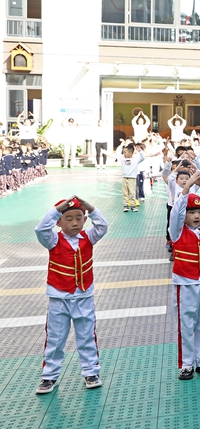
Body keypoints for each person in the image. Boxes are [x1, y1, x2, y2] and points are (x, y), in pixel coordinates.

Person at [34, 197, 108, 394]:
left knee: (86, 337)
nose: (75, 223)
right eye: (68, 218)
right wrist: (57, 209)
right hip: (59, 297)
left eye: (79, 218)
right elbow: (40, 229)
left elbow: (103, 225)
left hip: (84, 296)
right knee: (55, 338)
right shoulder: (53, 239)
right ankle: (49, 376)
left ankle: (91, 372)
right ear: (58, 221)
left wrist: (90, 208)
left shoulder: (89, 237)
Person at [168, 170, 200, 380]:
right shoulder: (177, 231)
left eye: (199, 212)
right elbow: (176, 213)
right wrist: (186, 189)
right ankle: (186, 364)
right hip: (185, 283)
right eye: (191, 212)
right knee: (186, 323)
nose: (196, 216)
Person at [116, 142, 144, 212]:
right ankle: (125, 206)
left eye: (125, 152)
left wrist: (140, 151)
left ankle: (133, 206)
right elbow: (118, 154)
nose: (124, 154)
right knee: (124, 192)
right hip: (124, 178)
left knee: (132, 193)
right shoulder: (122, 158)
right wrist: (121, 145)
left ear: (130, 153)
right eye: (123, 152)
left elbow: (143, 157)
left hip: (132, 178)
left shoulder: (136, 159)